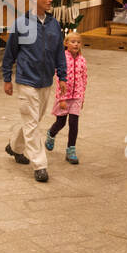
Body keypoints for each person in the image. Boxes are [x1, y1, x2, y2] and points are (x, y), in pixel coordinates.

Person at [3, 0, 68, 183]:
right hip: (26, 80)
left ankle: (14, 146)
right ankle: (40, 165)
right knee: (32, 124)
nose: (50, 0)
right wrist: (7, 78)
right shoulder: (21, 23)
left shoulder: (54, 24)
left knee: (34, 120)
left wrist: (62, 76)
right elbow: (9, 53)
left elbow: (59, 52)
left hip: (46, 80)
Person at [45, 31, 87, 165]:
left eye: (78, 42)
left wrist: (82, 96)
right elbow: (58, 79)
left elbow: (84, 78)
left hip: (77, 97)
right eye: (73, 42)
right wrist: (61, 99)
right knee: (61, 122)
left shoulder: (82, 60)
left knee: (74, 123)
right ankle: (51, 133)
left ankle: (71, 150)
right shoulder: (62, 58)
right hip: (64, 97)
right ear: (66, 43)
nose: (76, 44)